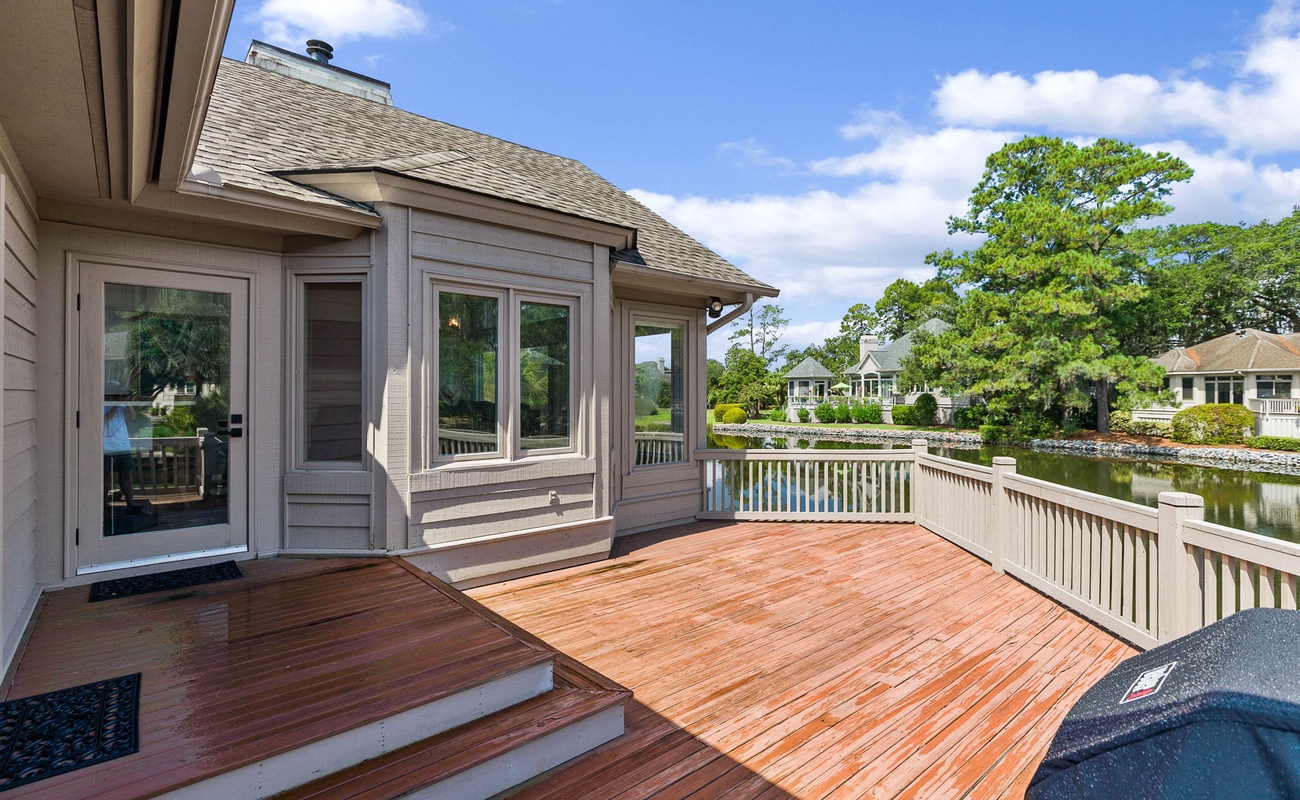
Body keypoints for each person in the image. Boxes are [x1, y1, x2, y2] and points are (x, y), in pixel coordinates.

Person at [103, 381, 145, 513]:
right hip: (106, 448)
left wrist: (126, 402)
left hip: (122, 446)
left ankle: (130, 501)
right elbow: (105, 420)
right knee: (106, 476)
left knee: (126, 474)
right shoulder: (101, 405)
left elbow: (131, 417)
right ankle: (103, 502)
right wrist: (117, 403)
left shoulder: (121, 405)